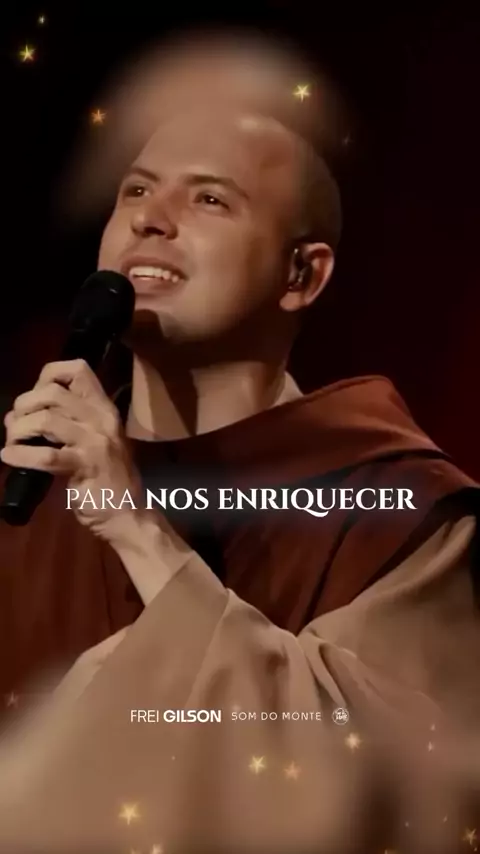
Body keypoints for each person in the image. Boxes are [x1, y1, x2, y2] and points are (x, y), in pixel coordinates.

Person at [0, 29, 479, 852]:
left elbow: (394, 792)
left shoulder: (398, 511)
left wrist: (139, 532)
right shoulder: (26, 482)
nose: (149, 220)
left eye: (210, 200)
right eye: (135, 190)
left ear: (303, 275)